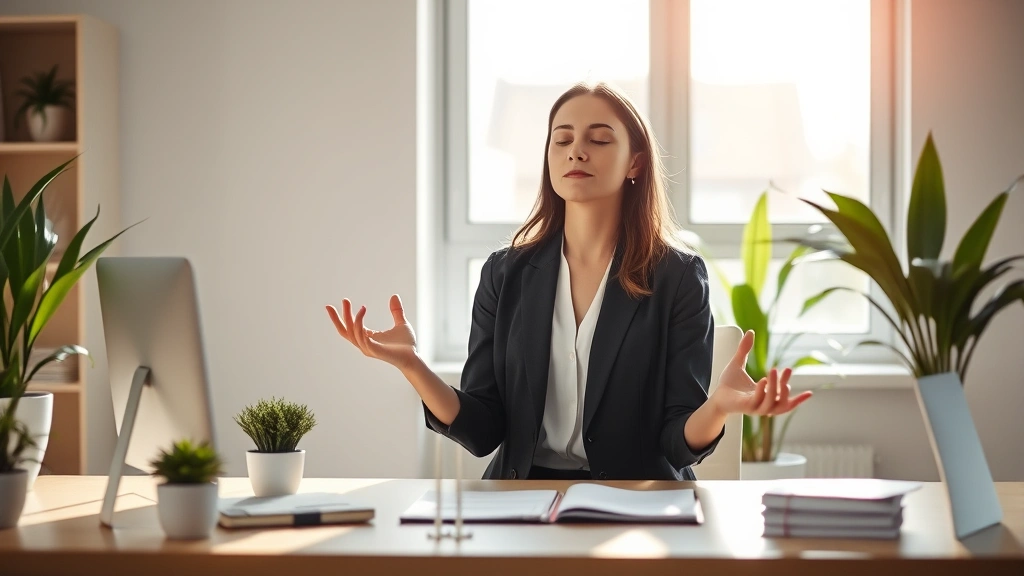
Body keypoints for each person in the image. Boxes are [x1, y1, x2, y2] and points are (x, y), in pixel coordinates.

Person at [327, 82, 811, 481]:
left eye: (599, 139)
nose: (576, 149)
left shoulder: (678, 277)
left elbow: (676, 444)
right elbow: (482, 430)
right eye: (562, 139)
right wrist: (412, 366)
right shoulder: (504, 273)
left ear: (635, 163)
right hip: (522, 498)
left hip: (635, 499)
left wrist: (720, 406)